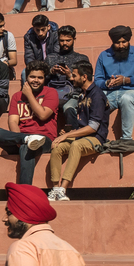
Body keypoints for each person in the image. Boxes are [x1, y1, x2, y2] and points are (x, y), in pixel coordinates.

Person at [0, 64, 59, 185]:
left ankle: (24, 189)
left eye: (40, 77)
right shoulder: (17, 96)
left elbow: (42, 115)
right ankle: (26, 139)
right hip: (20, 138)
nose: (36, 80)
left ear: (44, 79)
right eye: (32, 77)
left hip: (44, 139)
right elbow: (13, 121)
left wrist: (29, 95)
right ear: (27, 77)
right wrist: (20, 139)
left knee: (27, 147)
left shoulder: (51, 92)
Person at [47, 66, 108, 201]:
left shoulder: (97, 95)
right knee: (57, 146)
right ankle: (55, 189)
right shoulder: (82, 94)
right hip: (81, 136)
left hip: (96, 138)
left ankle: (63, 189)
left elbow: (93, 127)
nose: (71, 78)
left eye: (74, 75)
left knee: (76, 146)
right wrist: (68, 132)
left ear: (84, 77)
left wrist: (67, 135)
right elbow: (82, 124)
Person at [93, 26, 134, 153]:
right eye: (117, 43)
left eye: (124, 42)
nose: (121, 46)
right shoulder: (104, 55)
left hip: (133, 92)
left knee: (126, 98)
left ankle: (126, 139)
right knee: (97, 100)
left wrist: (126, 80)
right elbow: (97, 81)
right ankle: (97, 138)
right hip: (111, 93)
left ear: (128, 40)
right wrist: (107, 83)